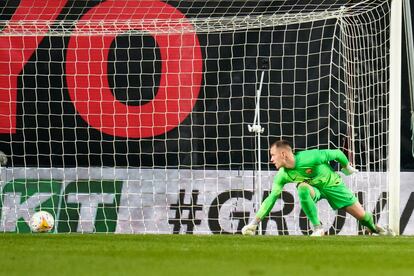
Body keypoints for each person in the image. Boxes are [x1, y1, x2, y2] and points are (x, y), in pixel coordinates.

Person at [242, 140, 395, 236]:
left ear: (283, 154)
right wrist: (254, 223)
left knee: (364, 218)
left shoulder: (310, 157)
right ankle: (317, 228)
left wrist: (346, 166)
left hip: (333, 186)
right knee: (302, 188)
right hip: (314, 190)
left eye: (273, 155)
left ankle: (376, 230)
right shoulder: (282, 175)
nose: (271, 159)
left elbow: (336, 153)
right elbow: (271, 198)